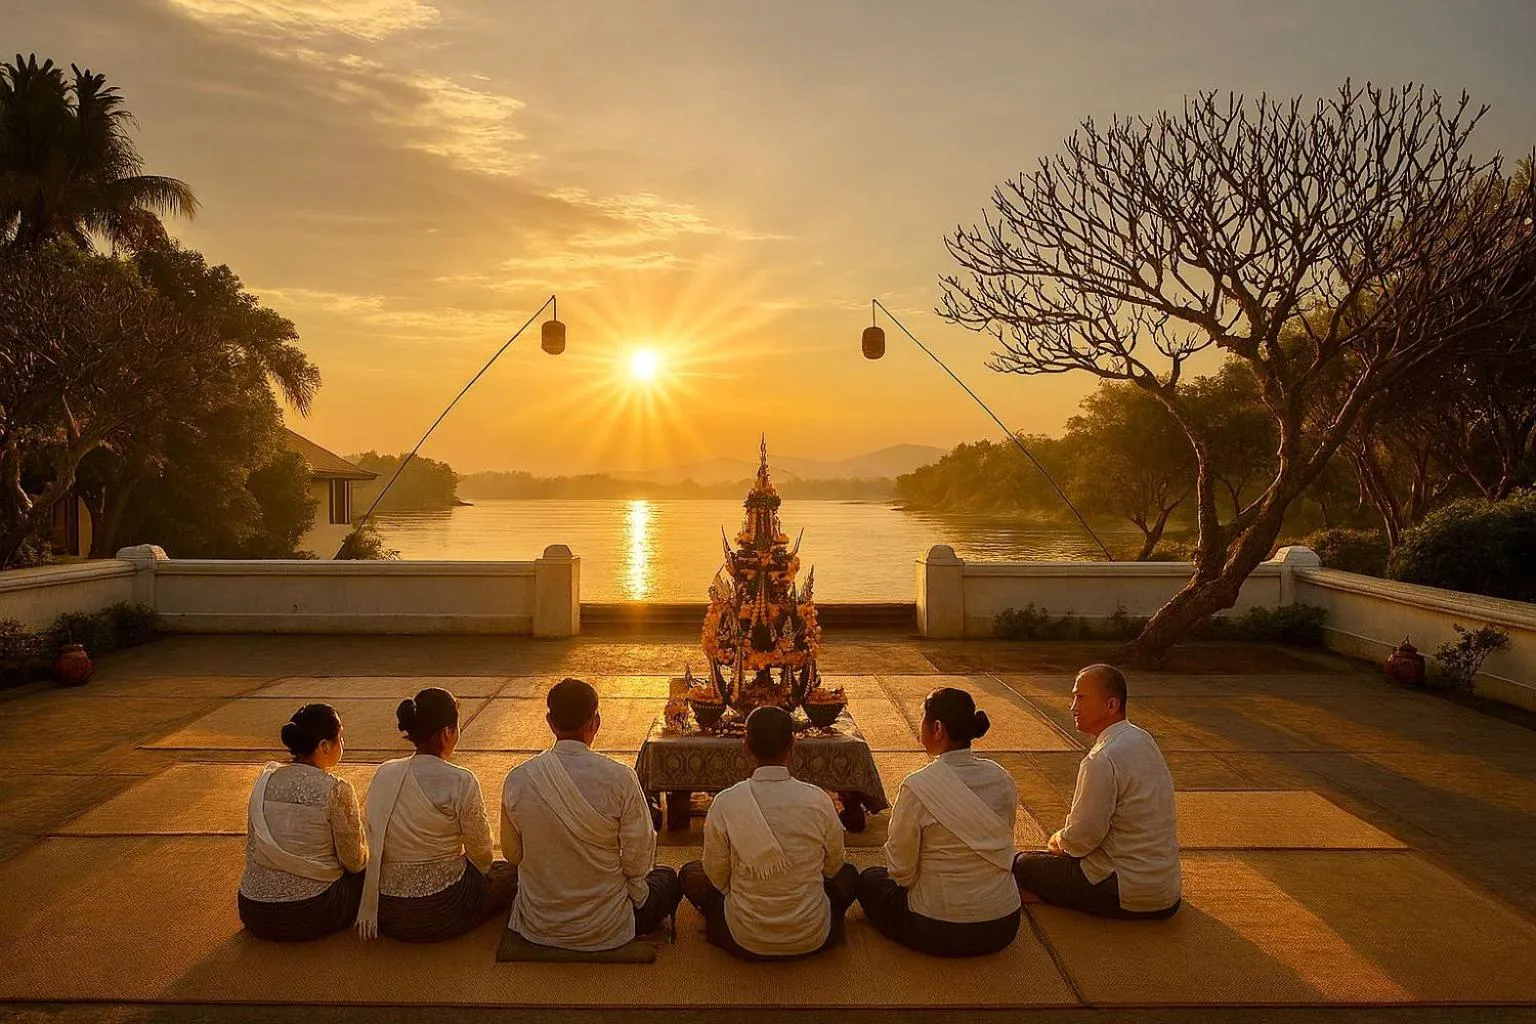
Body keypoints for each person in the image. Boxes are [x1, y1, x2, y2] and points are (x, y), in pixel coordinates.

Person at [500, 678, 682, 950]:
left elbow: (512, 854)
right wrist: (632, 891)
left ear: (550, 722)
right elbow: (638, 857)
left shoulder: (518, 779)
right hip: (607, 924)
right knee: (667, 878)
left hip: (539, 923)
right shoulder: (620, 778)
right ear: (595, 722)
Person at [680, 706, 859, 960]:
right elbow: (833, 866)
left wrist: (749, 889)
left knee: (690, 874)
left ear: (746, 746)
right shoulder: (818, 800)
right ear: (793, 744)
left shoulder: (726, 802)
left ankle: (747, 923)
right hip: (813, 934)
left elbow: (717, 875)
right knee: (849, 875)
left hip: (744, 937)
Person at [857, 687, 1022, 957]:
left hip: (937, 927)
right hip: (1003, 923)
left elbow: (901, 871)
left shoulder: (918, 786)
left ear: (937, 728)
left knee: (868, 880)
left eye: (922, 719)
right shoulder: (1002, 778)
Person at [1013, 664, 1181, 919]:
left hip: (1124, 891)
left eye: (1081, 698)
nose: (1073, 707)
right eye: (1073, 698)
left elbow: (1081, 840)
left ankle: (1050, 896)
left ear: (1111, 705)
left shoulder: (1102, 759)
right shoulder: (1142, 739)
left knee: (1021, 864)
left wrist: (1058, 840)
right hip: (1166, 894)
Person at [356, 687, 515, 942]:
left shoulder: (385, 773)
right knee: (511, 874)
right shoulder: (460, 780)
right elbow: (482, 854)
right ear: (447, 732)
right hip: (443, 909)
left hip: (389, 911)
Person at [238, 703, 368, 941]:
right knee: (368, 867)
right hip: (309, 911)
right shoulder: (336, 789)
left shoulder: (264, 781)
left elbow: (253, 849)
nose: (343, 743)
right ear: (324, 746)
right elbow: (354, 862)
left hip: (253, 909)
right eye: (340, 737)